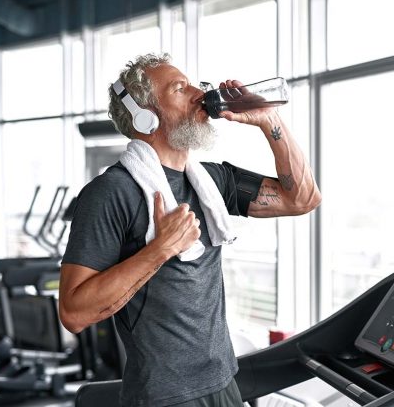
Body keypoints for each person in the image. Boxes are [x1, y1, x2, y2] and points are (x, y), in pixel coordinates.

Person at [58, 53, 321, 407]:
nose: (200, 93)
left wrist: (268, 120)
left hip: (224, 382)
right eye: (180, 89)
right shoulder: (111, 192)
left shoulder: (210, 181)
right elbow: (74, 314)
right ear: (144, 116)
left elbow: (302, 198)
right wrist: (160, 250)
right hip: (164, 397)